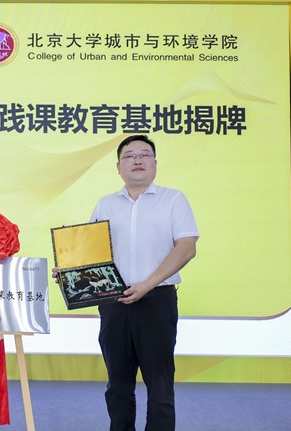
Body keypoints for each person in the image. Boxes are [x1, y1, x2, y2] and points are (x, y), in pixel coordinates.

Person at [53, 135, 199, 431]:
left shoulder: (174, 200)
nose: (137, 160)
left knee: (160, 385)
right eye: (129, 156)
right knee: (118, 385)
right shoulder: (105, 204)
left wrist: (147, 284)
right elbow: (92, 256)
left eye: (145, 154)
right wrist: (69, 272)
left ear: (155, 163)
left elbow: (186, 248)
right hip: (114, 303)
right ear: (118, 167)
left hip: (156, 301)